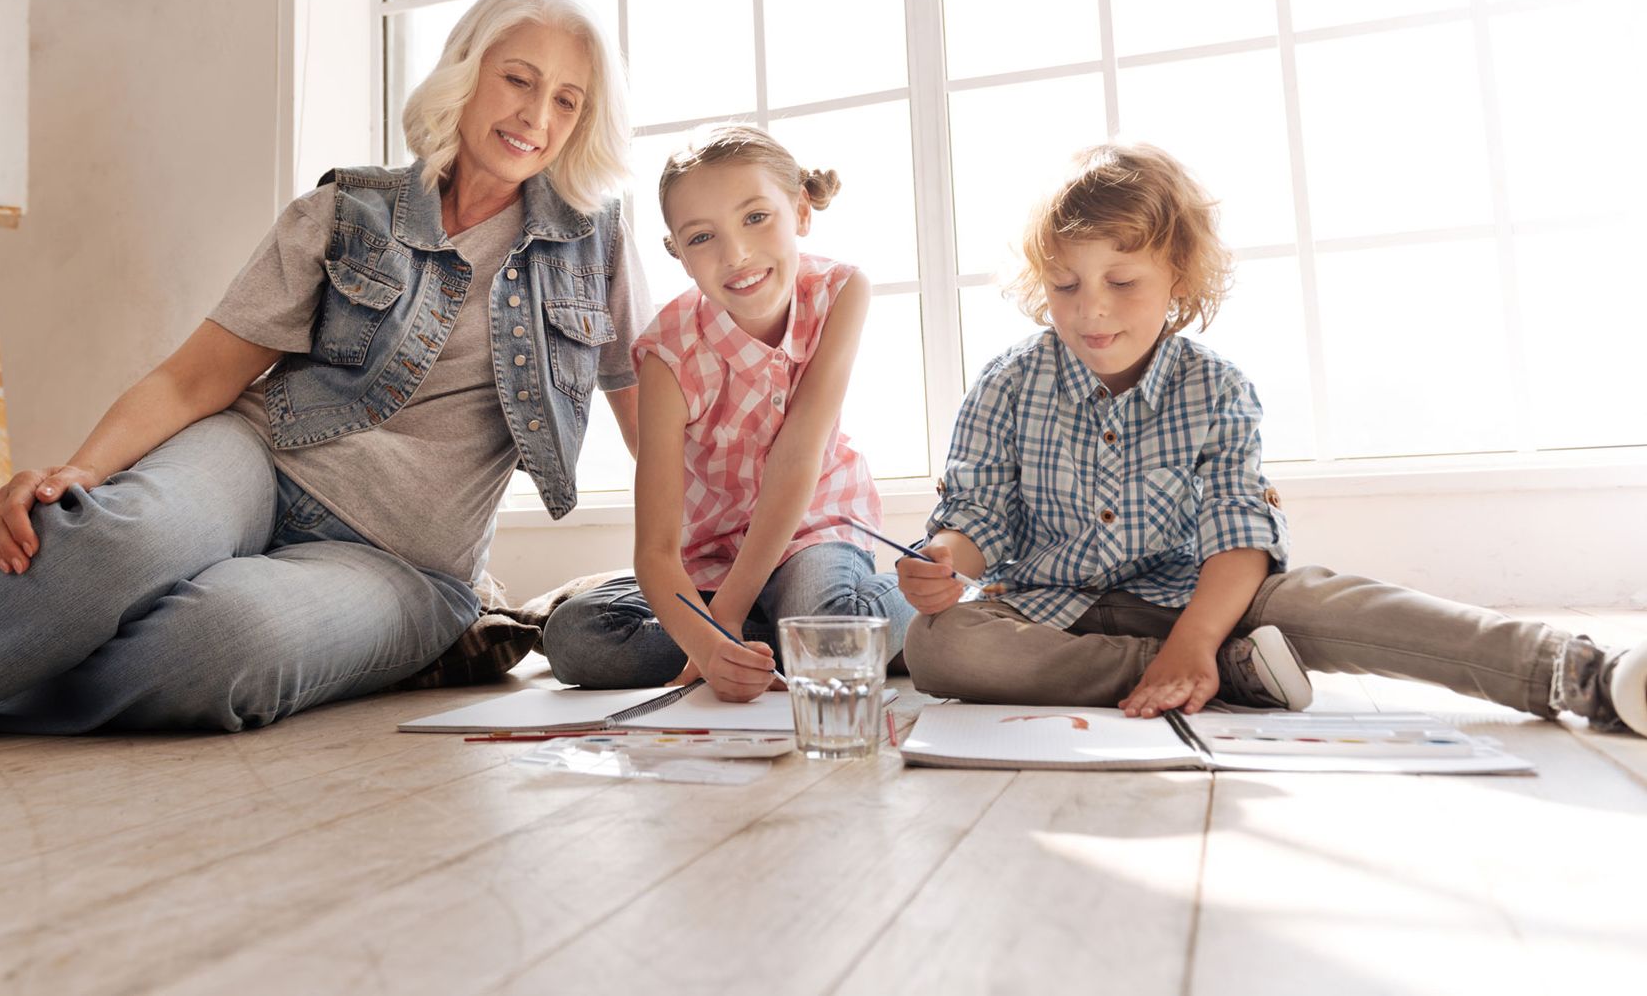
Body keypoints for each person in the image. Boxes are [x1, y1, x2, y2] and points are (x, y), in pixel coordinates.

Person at [0, 0, 652, 741]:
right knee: (108, 540)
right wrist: (76, 477)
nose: (536, 115)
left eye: (566, 100)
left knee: (220, 645)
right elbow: (196, 376)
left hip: (407, 565)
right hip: (262, 459)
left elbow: (652, 424)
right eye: (517, 80)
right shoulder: (349, 212)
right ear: (468, 73)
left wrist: (722, 576)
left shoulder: (593, 246)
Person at [898, 143, 1647, 735]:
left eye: (1121, 282)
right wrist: (944, 562)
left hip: (1199, 597)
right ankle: (1227, 670)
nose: (1091, 310)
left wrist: (1197, 636)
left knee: (1334, 604)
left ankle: (1579, 672)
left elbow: (1238, 537)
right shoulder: (1006, 382)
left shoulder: (1214, 386)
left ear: (1178, 279)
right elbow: (979, 520)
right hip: (1045, 608)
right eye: (1066, 286)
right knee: (940, 646)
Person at [542, 125, 915, 701]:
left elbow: (798, 458)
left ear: (800, 210)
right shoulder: (666, 355)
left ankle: (922, 605)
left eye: (756, 218)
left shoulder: (841, 292)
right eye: (701, 237)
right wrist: (712, 642)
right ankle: (777, 648)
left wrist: (723, 622)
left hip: (810, 532)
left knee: (823, 625)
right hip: (711, 559)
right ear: (680, 255)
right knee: (574, 637)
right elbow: (658, 553)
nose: (735, 254)